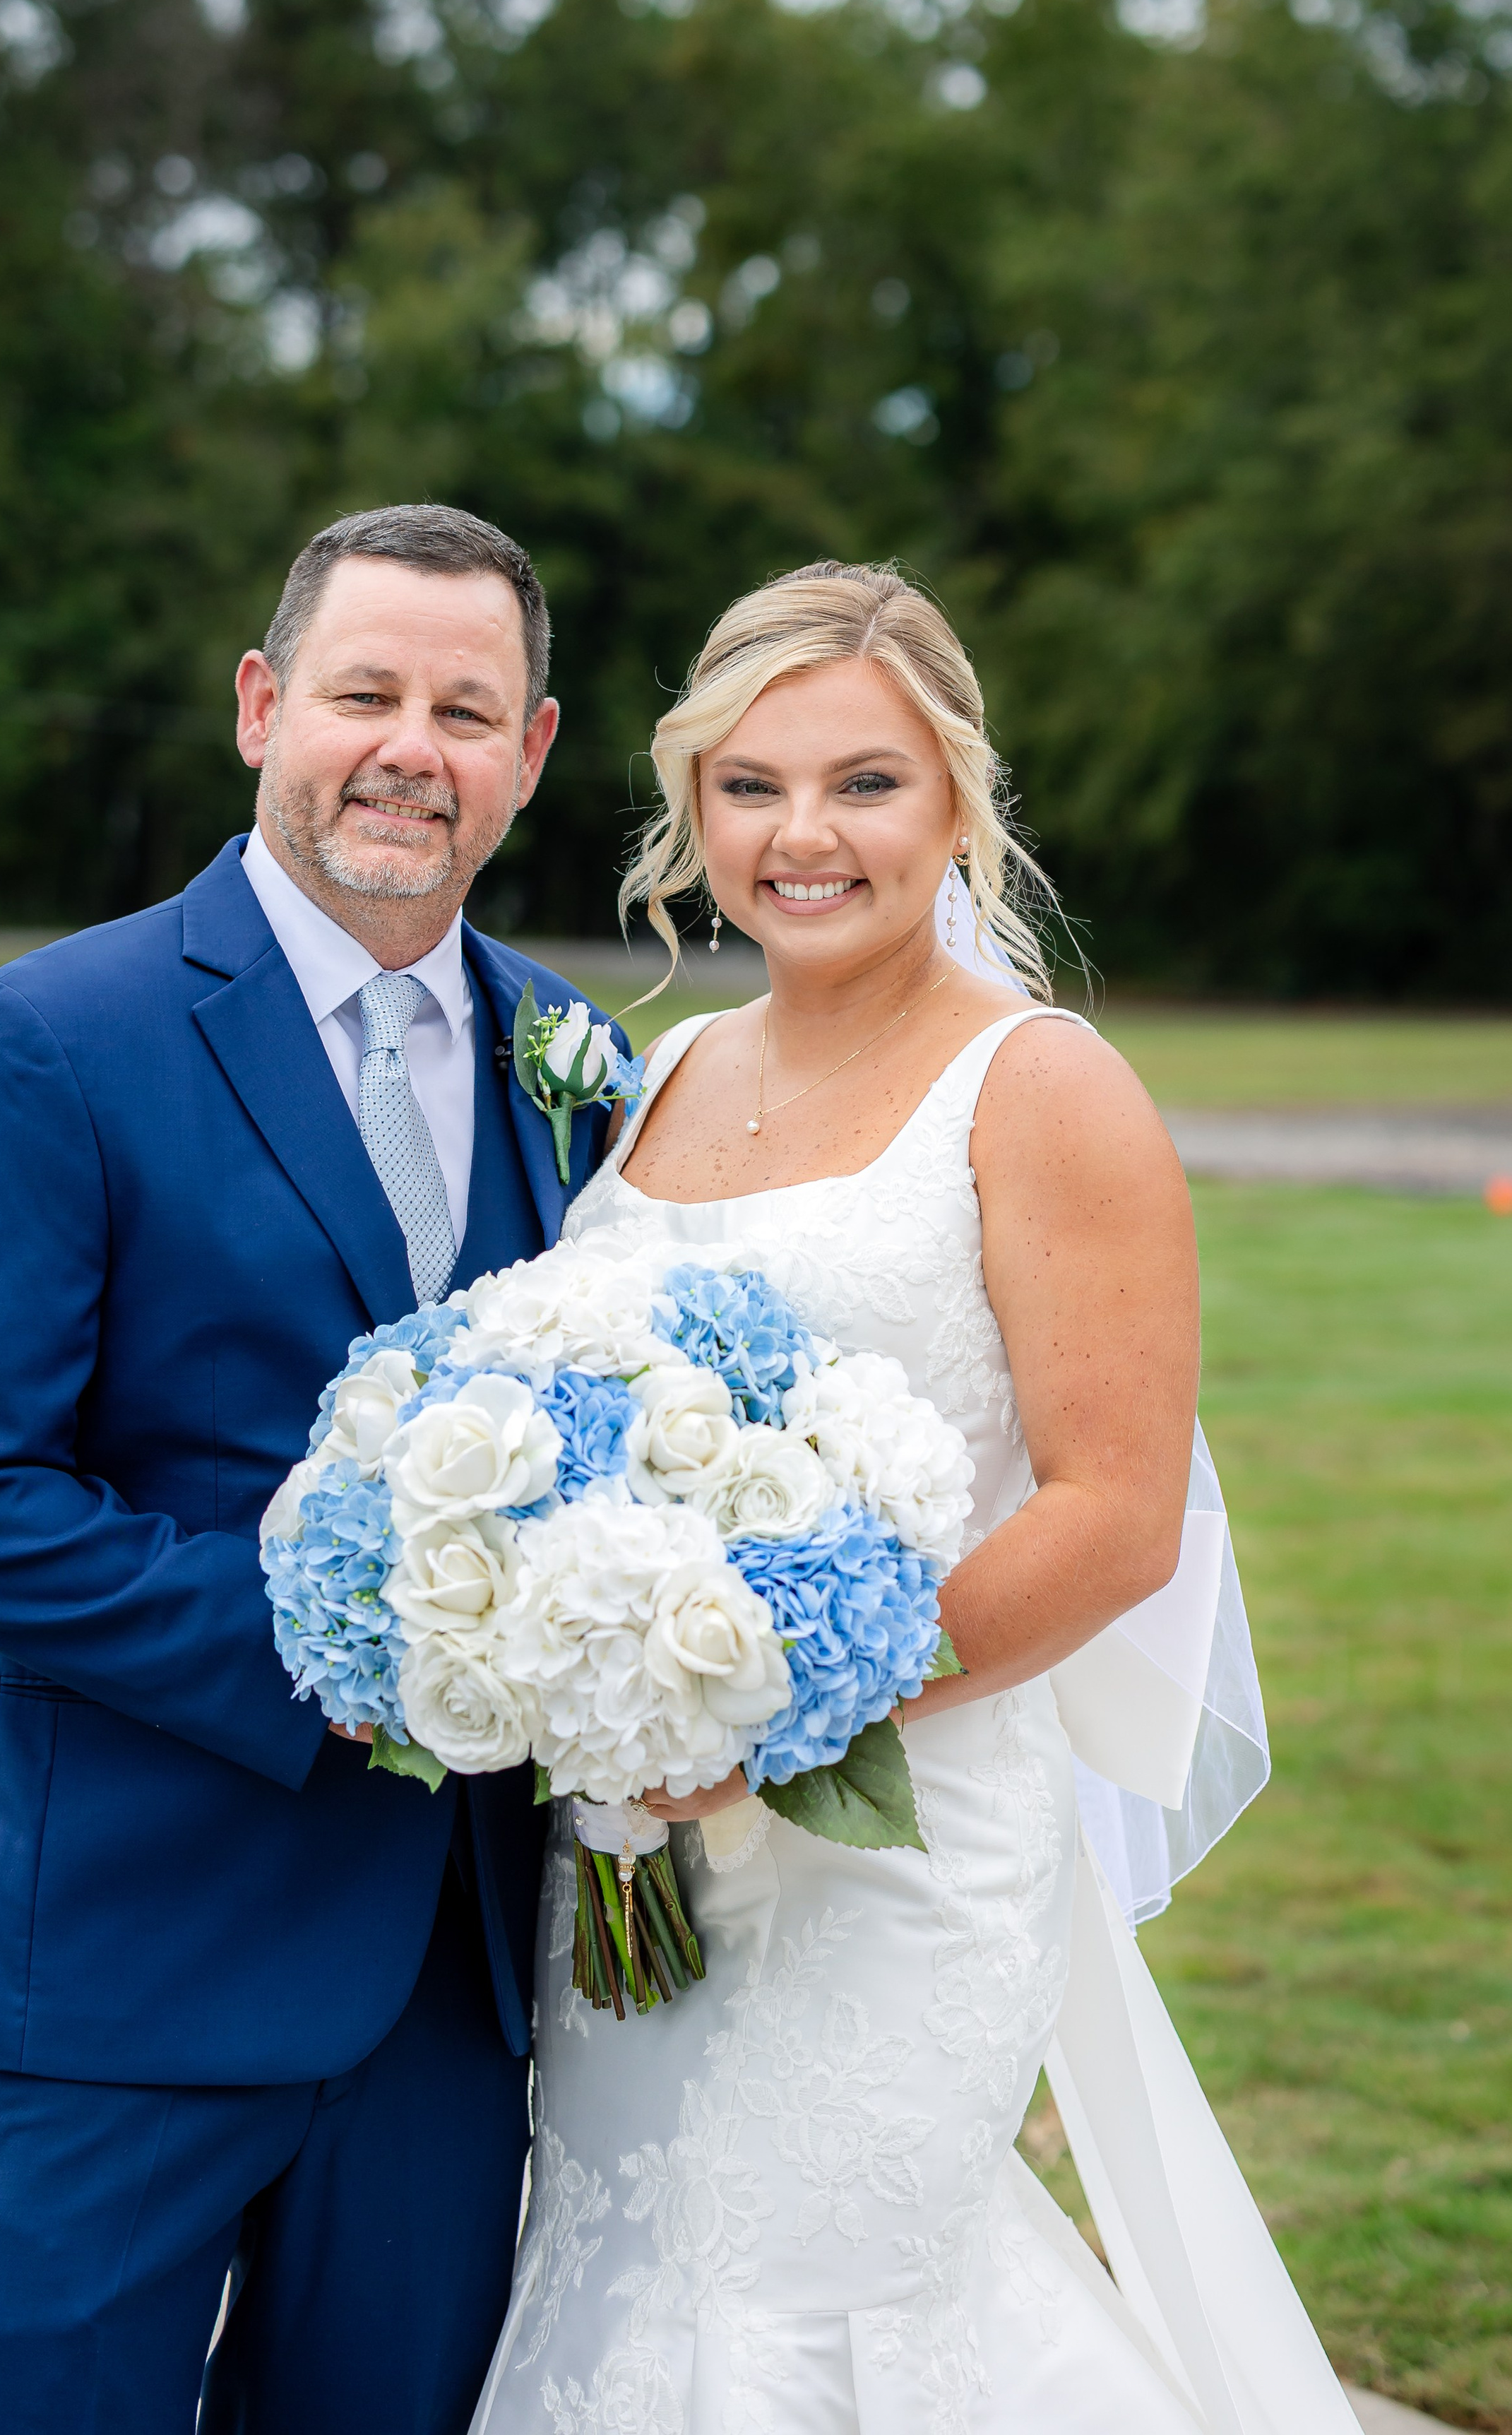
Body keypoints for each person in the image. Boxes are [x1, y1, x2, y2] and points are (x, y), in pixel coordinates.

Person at [468, 562, 1359, 2434]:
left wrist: (768, 1713)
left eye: (865, 783)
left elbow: (1114, 1517)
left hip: (907, 1843)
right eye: (753, 786)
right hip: (640, 1842)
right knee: (632, 2257)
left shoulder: (1042, 1089)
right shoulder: (672, 1072)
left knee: (824, 2295)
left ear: (958, 798)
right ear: (690, 805)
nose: (805, 836)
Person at [0, 504, 630, 2434]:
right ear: (265, 706)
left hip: (447, 1996)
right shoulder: (53, 1039)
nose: (410, 749)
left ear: (528, 758)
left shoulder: (582, 1060)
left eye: (468, 709)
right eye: (367, 691)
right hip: (116, 1969)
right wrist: (358, 1655)